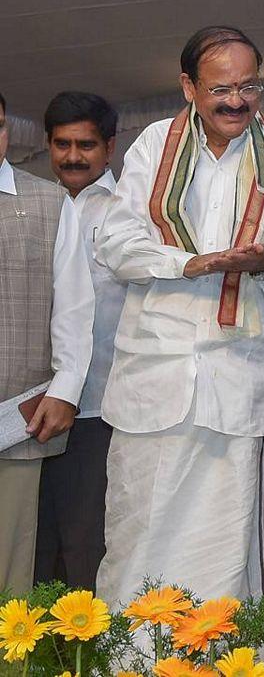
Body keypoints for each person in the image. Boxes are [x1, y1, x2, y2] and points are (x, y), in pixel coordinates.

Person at [94, 26, 264, 607]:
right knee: (138, 540)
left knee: (232, 547)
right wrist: (189, 264)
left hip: (242, 379)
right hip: (157, 378)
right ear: (188, 86)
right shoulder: (154, 144)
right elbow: (116, 244)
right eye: (222, 88)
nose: (237, 101)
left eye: (250, 87)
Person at [0, 91, 94, 592]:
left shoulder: (49, 202)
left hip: (13, 417)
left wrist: (65, 389)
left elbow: (75, 306)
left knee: (10, 568)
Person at [34, 91, 127, 591]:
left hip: (99, 410)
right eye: (62, 144)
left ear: (109, 148)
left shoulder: (129, 213)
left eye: (86, 145)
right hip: (26, 410)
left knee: (87, 545)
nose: (73, 156)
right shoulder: (33, 208)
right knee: (33, 547)